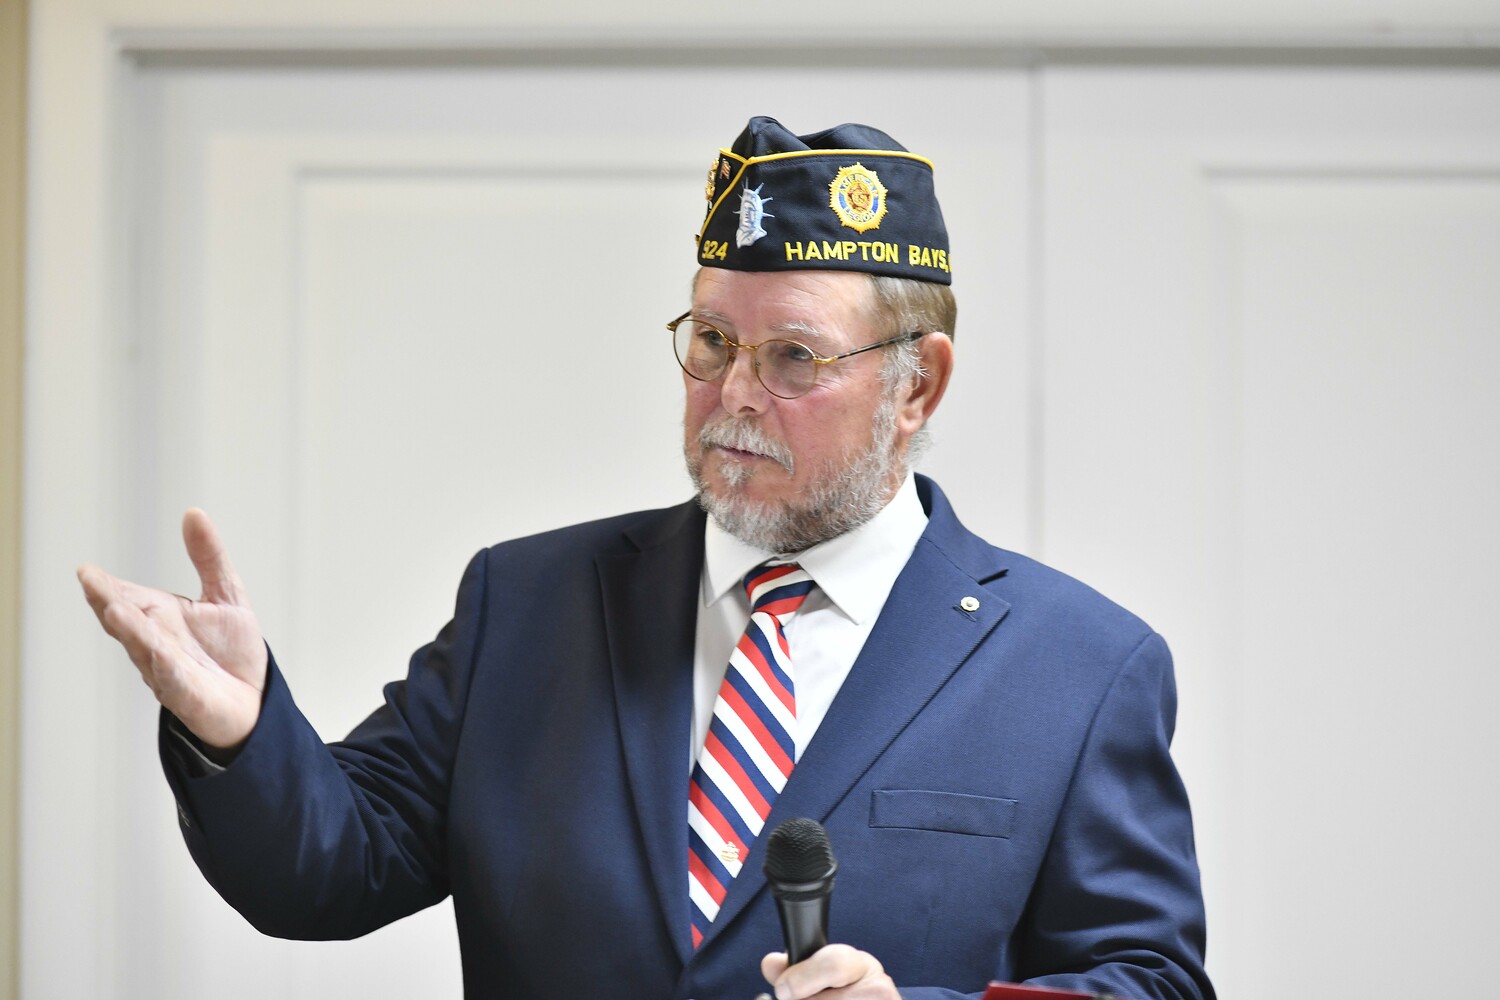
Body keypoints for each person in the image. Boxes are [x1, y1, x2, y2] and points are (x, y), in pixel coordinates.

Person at [79, 116, 1215, 1000]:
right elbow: (329, 870)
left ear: (917, 384)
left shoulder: (1079, 666)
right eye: (713, 340)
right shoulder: (527, 605)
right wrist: (240, 730)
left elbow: (1150, 980)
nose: (734, 394)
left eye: (793, 357)